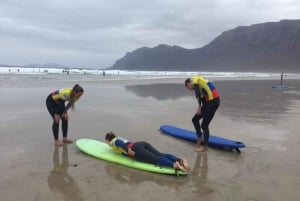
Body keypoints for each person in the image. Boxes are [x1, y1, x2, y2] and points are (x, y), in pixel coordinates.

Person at [105, 131, 190, 172]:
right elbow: (122, 143)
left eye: (106, 142)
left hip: (136, 149)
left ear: (108, 140)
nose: (107, 143)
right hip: (140, 144)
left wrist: (128, 151)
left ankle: (174, 165)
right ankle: (180, 160)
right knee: (160, 154)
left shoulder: (114, 141)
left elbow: (120, 144)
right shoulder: (118, 138)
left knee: (156, 159)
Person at [185, 76, 220, 152]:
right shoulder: (199, 84)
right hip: (208, 102)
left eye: (188, 88)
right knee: (195, 119)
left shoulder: (194, 81)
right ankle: (200, 138)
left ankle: (205, 147)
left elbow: (197, 94)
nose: (190, 89)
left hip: (213, 101)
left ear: (188, 84)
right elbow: (202, 97)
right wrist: (202, 108)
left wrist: (199, 106)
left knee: (204, 125)